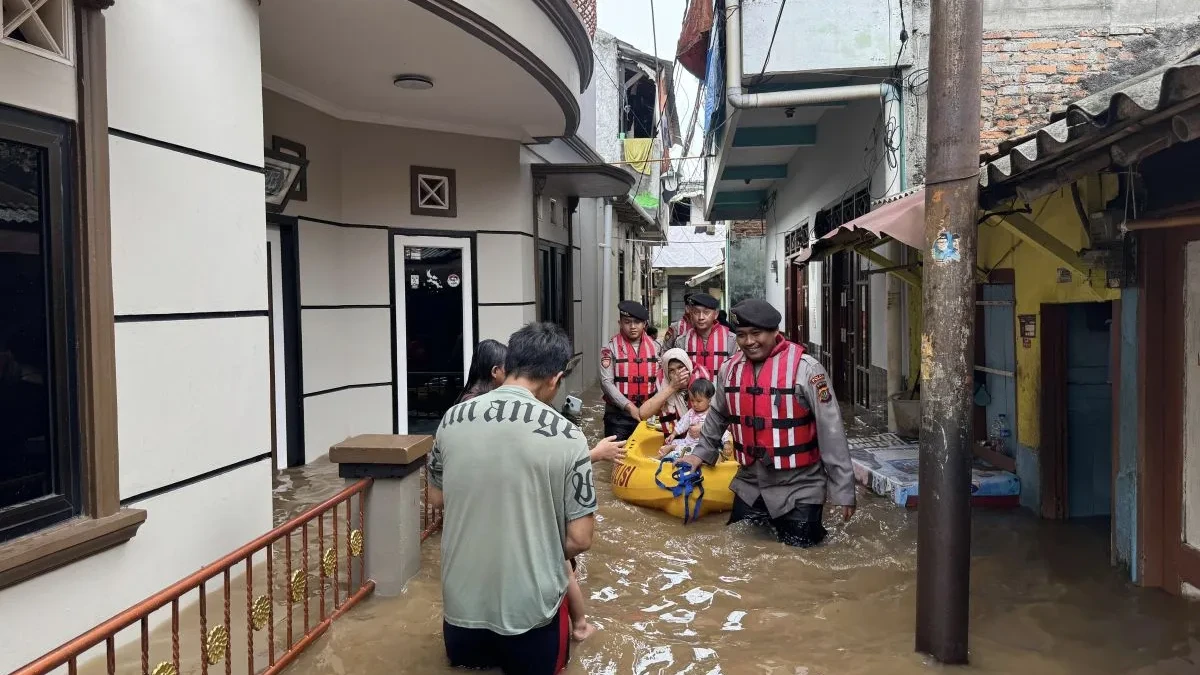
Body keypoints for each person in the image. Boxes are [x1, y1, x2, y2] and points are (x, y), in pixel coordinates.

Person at [428, 322, 598, 674]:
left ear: (510, 364)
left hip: (461, 609)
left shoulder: (451, 418)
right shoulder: (568, 435)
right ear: (554, 378)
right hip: (530, 614)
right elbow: (580, 538)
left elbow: (437, 499)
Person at [677, 299, 856, 547]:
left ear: (774, 332)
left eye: (756, 333)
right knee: (738, 553)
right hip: (750, 485)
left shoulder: (807, 370)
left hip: (800, 487)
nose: (749, 342)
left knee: (803, 561)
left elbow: (831, 431)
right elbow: (717, 415)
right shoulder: (729, 369)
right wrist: (699, 455)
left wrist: (843, 490)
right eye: (741, 335)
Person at [599, 300, 660, 440]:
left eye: (637, 322)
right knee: (616, 459)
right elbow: (606, 382)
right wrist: (629, 406)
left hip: (649, 415)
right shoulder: (609, 349)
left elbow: (661, 380)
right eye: (627, 322)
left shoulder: (656, 347)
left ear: (644, 324)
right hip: (617, 417)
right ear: (620, 323)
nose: (632, 326)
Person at [673, 292, 735, 377]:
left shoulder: (731, 339)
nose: (701, 317)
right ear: (691, 314)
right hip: (691, 389)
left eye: (706, 312)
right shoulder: (682, 341)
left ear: (716, 314)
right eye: (696, 312)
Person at [658, 377, 717, 461]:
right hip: (688, 442)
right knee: (673, 442)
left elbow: (720, 430)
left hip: (701, 446)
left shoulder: (712, 414)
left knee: (690, 451)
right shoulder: (691, 412)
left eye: (699, 401)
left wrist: (726, 443)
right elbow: (682, 423)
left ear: (709, 400)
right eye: (692, 401)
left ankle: (671, 452)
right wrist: (673, 434)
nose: (695, 404)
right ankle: (662, 456)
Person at [455, 339, 507, 403]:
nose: (509, 374)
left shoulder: (473, 398)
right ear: (495, 371)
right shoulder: (474, 402)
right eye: (507, 368)